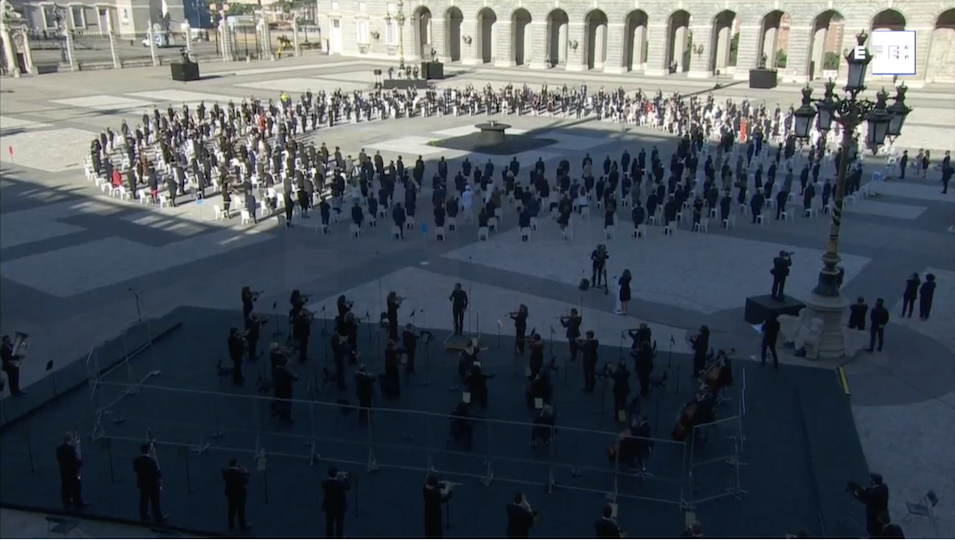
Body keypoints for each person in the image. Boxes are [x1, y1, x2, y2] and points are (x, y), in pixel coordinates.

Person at [848, 473, 890, 538]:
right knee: (879, 530)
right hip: (880, 515)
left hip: (874, 517)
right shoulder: (884, 488)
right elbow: (869, 491)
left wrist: (853, 490)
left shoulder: (874, 494)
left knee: (873, 531)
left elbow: (864, 497)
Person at [132, 443, 166, 523]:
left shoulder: (136, 460)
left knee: (143, 501)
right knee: (155, 503)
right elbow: (157, 474)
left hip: (142, 484)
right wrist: (160, 473)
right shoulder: (151, 461)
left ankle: (144, 516)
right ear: (149, 451)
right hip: (153, 486)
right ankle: (158, 518)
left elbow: (136, 469)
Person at [56, 432, 86, 510]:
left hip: (64, 472)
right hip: (72, 473)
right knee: (76, 488)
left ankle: (66, 503)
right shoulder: (71, 449)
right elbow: (73, 461)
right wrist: (80, 463)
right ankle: (78, 503)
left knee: (65, 488)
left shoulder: (59, 449)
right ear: (70, 439)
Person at [222, 458, 250, 532]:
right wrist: (245, 472)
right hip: (240, 495)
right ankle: (242, 526)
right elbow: (246, 481)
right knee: (241, 511)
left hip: (230, 494)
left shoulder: (225, 472)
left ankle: (231, 526)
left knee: (231, 510)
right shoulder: (239, 474)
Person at [321, 467, 350, 538]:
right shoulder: (340, 484)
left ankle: (329, 536)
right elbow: (348, 486)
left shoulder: (325, 483)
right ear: (336, 474)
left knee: (329, 523)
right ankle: (339, 536)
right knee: (339, 523)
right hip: (340, 507)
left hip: (329, 506)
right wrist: (345, 478)